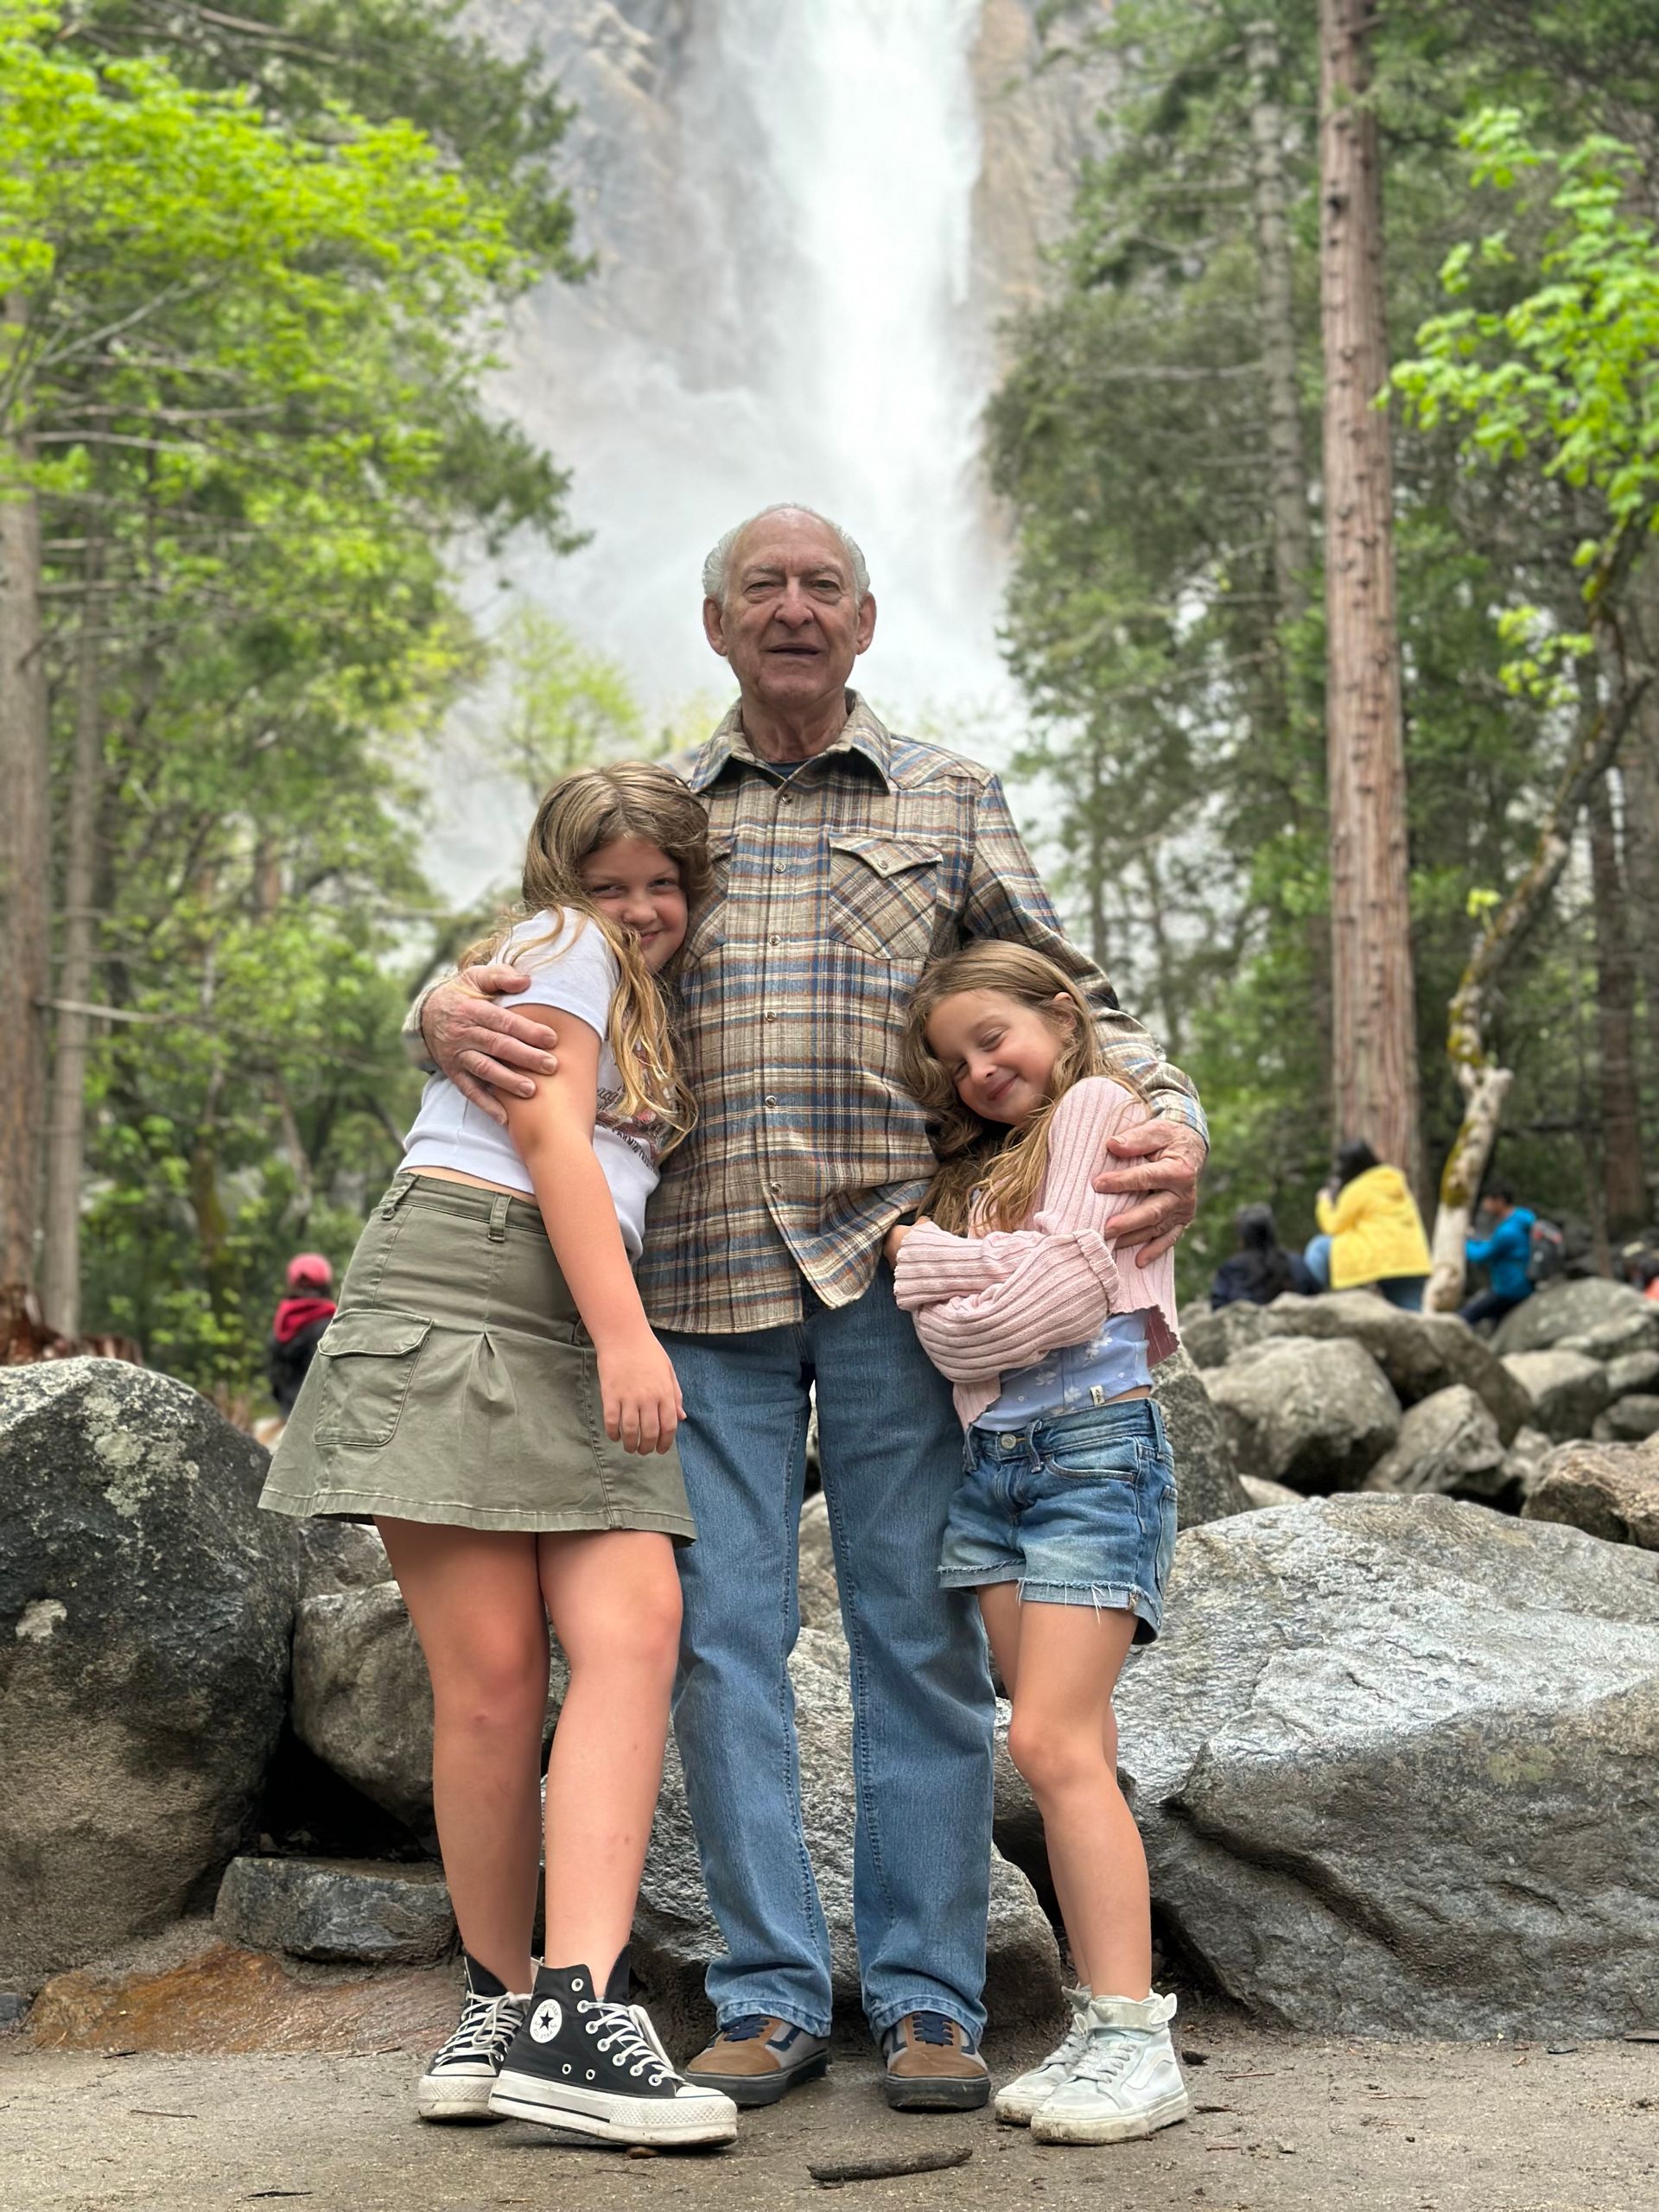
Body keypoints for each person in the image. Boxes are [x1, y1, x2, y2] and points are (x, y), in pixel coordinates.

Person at [411, 504, 1207, 2113]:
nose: (792, 608)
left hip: (904, 1270)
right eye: (760, 587)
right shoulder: (658, 819)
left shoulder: (947, 794)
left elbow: (1072, 1000)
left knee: (919, 1637)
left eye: (821, 587)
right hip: (692, 1284)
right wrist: (433, 998)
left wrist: (1170, 1116)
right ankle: (766, 1994)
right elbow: (521, 961)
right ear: (715, 626)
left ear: (865, 620)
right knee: (720, 1641)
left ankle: (929, 2001)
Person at [260, 764, 737, 2150]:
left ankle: (536, 2009)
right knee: (491, 1684)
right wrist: (629, 1340)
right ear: (561, 888)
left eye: (664, 884)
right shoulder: (565, 950)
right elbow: (547, 1140)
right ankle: (533, 2005)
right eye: (611, 884)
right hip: (480, 1279)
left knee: (626, 1629)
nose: (640, 908)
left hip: (527, 1281)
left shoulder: (614, 983)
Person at [887, 942, 1188, 2147]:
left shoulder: (1104, 1110)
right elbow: (973, 1342)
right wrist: (979, 1281)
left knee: (1052, 1739)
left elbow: (1046, 1307)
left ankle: (1135, 2038)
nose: (979, 1069)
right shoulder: (992, 1171)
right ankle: (1101, 2023)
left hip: (1094, 1456)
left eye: (993, 1037)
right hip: (997, 1474)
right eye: (957, 1060)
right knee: (1071, 1747)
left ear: (1060, 1019)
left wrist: (924, 1263)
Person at [1303, 1139, 1431, 1313]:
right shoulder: (1396, 1183)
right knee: (1412, 1315)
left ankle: (1304, 1300)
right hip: (1413, 1261)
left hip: (1379, 1260)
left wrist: (1324, 1202)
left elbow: (1333, 1227)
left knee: (1320, 1247)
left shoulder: (1358, 1188)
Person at [266, 1254, 337, 1417]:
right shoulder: (330, 1325)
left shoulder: (281, 1324)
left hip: (287, 1418)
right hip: (319, 1421)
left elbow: (275, 1383)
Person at [1209, 1204, 1317, 1309]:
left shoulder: (1231, 1268)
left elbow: (1218, 1306)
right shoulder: (1296, 1262)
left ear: (1242, 1237)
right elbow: (1314, 1297)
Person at [1460, 1184, 1536, 1329]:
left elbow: (1480, 1255)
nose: (1484, 1205)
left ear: (1500, 1201)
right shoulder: (1521, 1219)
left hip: (1510, 1290)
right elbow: (1494, 1245)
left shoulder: (1508, 1231)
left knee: (1465, 1316)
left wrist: (1464, 1242)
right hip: (1524, 1285)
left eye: (1488, 1200)